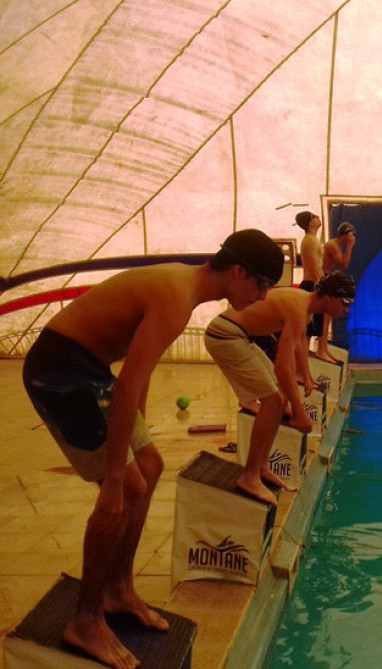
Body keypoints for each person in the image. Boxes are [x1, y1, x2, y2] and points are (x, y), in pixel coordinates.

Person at [22, 229, 284, 669]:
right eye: (262, 285)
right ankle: (85, 620)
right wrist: (113, 474)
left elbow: (135, 381)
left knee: (150, 465)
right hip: (60, 371)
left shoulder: (182, 290)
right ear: (238, 271)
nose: (262, 298)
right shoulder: (175, 299)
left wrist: (135, 443)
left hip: (89, 366)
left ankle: (118, 589)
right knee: (124, 486)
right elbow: (127, 386)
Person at [205, 271, 357, 505]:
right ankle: (250, 475)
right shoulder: (298, 309)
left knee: (279, 399)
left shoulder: (304, 306)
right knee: (275, 400)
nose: (346, 310)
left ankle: (262, 466)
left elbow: (298, 346)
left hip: (240, 335)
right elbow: (282, 368)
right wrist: (300, 411)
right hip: (225, 335)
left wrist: (306, 378)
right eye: (345, 303)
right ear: (329, 298)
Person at [319, 222, 357, 362]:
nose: (353, 238)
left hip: (325, 277)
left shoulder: (335, 245)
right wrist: (350, 246)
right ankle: (321, 350)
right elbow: (344, 264)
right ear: (347, 234)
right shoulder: (332, 245)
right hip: (322, 278)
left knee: (327, 317)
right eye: (352, 235)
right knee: (324, 316)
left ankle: (323, 348)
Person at [295, 210, 329, 359]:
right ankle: (304, 364)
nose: (318, 218)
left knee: (311, 330)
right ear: (309, 223)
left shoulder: (312, 239)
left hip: (312, 284)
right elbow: (315, 268)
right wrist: (322, 287)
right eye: (314, 217)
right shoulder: (310, 241)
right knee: (308, 331)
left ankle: (306, 362)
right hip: (311, 285)